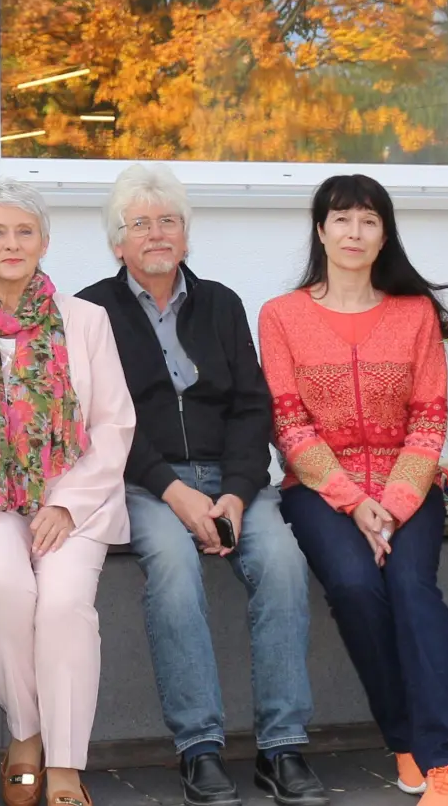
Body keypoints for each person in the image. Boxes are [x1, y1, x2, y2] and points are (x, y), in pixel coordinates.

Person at [77, 165, 327, 806]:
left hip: (232, 478)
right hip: (146, 484)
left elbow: (252, 405)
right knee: (174, 565)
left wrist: (239, 493)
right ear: (118, 243)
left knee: (281, 560)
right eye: (141, 224)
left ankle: (283, 749)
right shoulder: (90, 311)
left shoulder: (221, 302)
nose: (157, 234)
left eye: (169, 222)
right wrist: (174, 490)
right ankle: (201, 749)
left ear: (186, 237)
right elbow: (104, 419)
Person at [259, 174, 448, 806]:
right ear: (320, 229)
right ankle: (405, 736)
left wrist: (396, 505)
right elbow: (288, 422)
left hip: (409, 486)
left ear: (385, 234)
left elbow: (430, 417)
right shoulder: (282, 316)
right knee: (353, 585)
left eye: (369, 221)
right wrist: (355, 503)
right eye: (342, 219)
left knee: (412, 589)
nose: (354, 233)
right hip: (321, 490)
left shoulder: (414, 314)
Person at [0, 181, 133, 806]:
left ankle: (67, 767)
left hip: (71, 495)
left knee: (63, 606)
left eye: (24, 232)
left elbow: (114, 423)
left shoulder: (86, 320)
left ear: (44, 242)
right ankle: (28, 733)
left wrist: (66, 502)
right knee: (0, 588)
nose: (11, 243)